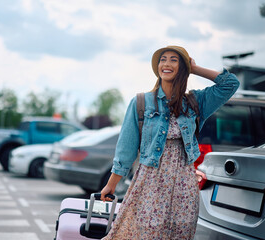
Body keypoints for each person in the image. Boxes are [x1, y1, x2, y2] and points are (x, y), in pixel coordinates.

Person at [100, 45, 240, 239]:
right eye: (163, 59)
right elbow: (126, 147)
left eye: (174, 60)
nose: (166, 64)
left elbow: (230, 84)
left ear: (183, 67)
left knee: (181, 232)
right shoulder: (142, 102)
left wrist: (196, 69)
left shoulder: (196, 102)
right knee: (147, 232)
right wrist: (112, 183)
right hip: (150, 181)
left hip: (185, 184)